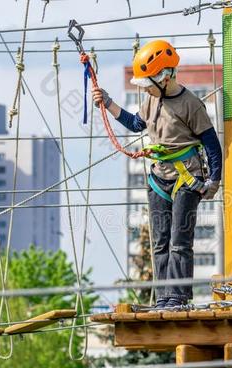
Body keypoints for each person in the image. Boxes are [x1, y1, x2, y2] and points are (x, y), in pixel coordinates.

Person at [92, 39, 222, 309]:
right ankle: (164, 296)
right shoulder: (151, 100)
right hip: (158, 180)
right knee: (160, 242)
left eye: (147, 82)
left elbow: (211, 145)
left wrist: (214, 180)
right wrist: (109, 103)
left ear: (164, 76)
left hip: (187, 180)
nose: (145, 88)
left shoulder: (191, 105)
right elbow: (136, 123)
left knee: (179, 242)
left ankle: (179, 296)